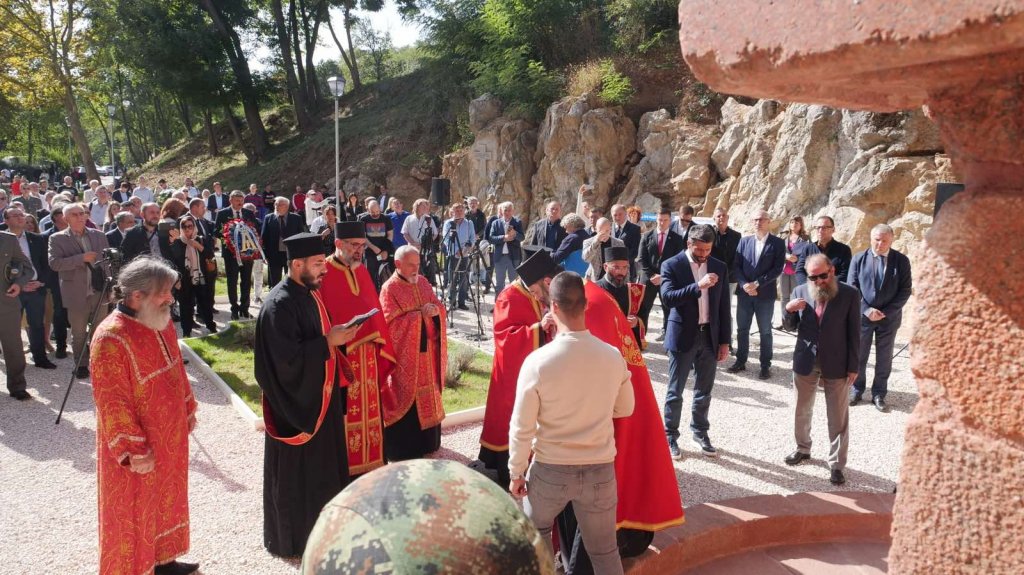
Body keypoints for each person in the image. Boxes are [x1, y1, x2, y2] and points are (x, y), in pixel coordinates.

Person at [557, 261, 688, 573]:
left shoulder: (589, 313)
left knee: (588, 505)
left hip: (587, 437)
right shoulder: (596, 299)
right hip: (610, 422)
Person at [509, 271, 634, 575]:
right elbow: (625, 408)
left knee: (536, 545)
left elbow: (522, 427)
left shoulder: (538, 362)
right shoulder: (612, 356)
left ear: (552, 306)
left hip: (551, 469)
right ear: (585, 305)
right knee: (605, 552)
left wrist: (516, 472)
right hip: (599, 469)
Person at [90, 256, 199, 575]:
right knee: (135, 507)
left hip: (170, 438)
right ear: (136, 295)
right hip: (140, 445)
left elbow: (176, 368)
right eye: (163, 292)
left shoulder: (160, 319)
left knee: (168, 498)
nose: (171, 298)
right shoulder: (110, 338)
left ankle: (165, 561)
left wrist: (187, 407)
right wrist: (133, 449)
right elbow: (112, 402)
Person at [255, 232, 359, 558]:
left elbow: (316, 339)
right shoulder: (279, 305)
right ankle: (297, 542)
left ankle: (327, 533)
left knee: (325, 472)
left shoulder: (309, 293)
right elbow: (284, 363)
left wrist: (335, 339)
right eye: (317, 264)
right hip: (297, 408)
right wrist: (329, 342)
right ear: (297, 264)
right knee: (298, 480)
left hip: (320, 400)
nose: (324, 269)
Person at [480, 249, 560, 487]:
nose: (541, 296)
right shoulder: (509, 296)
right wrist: (538, 328)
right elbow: (504, 338)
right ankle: (510, 470)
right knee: (513, 416)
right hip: (513, 373)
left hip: (541, 369)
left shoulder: (545, 291)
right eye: (539, 289)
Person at [322, 222, 397, 477]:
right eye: (355, 245)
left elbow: (372, 308)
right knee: (344, 410)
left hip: (368, 356)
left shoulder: (362, 270)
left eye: (363, 246)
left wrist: (377, 338)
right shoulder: (324, 273)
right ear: (338, 244)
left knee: (371, 409)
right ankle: (347, 469)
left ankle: (373, 462)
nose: (359, 250)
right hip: (343, 356)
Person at [783, 254, 861, 485]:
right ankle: (802, 448)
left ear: (832, 270)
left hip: (837, 361)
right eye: (813, 277)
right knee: (801, 409)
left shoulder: (849, 294)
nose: (818, 281)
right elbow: (790, 326)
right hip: (805, 360)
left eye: (822, 276)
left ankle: (836, 464)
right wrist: (788, 310)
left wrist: (853, 366)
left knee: (838, 416)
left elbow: (855, 333)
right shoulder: (799, 291)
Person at [660, 224, 732, 458]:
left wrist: (725, 341)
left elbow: (724, 306)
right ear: (689, 243)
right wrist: (697, 286)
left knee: (704, 390)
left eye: (708, 250)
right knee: (675, 390)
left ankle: (700, 432)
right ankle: (670, 434)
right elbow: (668, 298)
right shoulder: (671, 264)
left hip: (709, 336)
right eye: (699, 250)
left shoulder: (719, 266)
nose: (703, 254)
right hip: (682, 335)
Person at [379, 246, 447, 460]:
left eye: (418, 264)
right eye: (411, 265)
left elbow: (438, 306)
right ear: (398, 264)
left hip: (428, 355)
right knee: (406, 398)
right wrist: (419, 316)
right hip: (405, 360)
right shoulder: (389, 289)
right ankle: (406, 448)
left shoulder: (423, 282)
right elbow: (389, 325)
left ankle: (429, 442)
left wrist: (435, 312)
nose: (416, 269)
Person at [848, 224, 912, 411]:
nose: (880, 244)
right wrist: (867, 310)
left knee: (884, 358)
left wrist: (887, 312)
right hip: (863, 317)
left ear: (892, 240)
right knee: (859, 356)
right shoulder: (859, 258)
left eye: (884, 240)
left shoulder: (901, 261)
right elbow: (852, 287)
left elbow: (905, 290)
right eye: (877, 239)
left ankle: (879, 394)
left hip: (888, 319)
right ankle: (856, 389)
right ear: (871, 238)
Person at [48, 202, 112, 379]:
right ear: (65, 218)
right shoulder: (57, 238)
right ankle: (81, 364)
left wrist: (110, 287)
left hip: (99, 291)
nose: (80, 217)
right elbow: (55, 264)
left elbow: (107, 263)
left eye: (82, 213)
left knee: (100, 331)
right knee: (78, 333)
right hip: (75, 293)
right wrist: (81, 258)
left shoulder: (99, 235)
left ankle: (99, 361)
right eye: (74, 214)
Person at [729, 209, 786, 380]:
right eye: (755, 219)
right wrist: (744, 284)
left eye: (761, 219)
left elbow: (777, 268)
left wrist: (758, 283)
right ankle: (740, 361)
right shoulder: (744, 241)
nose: (758, 222)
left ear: (769, 221)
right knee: (742, 329)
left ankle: (765, 365)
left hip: (765, 295)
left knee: (765, 331)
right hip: (745, 294)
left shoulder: (778, 243)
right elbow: (736, 266)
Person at [6, 206, 56, 369]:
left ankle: (40, 358)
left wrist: (41, 282)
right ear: (6, 220)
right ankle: (15, 362)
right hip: (11, 291)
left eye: (21, 215)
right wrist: (17, 285)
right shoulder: (3, 239)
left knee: (37, 324)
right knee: (12, 327)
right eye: (15, 215)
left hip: (36, 289)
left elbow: (46, 264)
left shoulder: (37, 239)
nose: (20, 218)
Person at [638, 209, 685, 342]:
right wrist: (652, 275)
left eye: (665, 220)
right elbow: (641, 259)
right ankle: (641, 337)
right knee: (643, 308)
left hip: (668, 280)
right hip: (649, 280)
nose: (662, 223)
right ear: (656, 219)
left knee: (669, 309)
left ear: (670, 221)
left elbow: (678, 261)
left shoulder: (677, 239)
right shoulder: (646, 236)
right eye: (660, 220)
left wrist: (663, 277)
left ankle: (668, 338)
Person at [214, 191, 260, 320]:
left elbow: (256, 229)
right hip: (230, 254)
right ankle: (234, 308)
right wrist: (228, 235)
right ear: (230, 200)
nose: (240, 203)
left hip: (247, 253)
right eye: (237, 200)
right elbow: (216, 231)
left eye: (242, 200)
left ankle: (245, 309)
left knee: (246, 281)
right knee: (232, 281)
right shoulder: (222, 213)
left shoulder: (249, 213)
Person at [0, 226, 34, 399]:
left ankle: (17, 386)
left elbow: (27, 268)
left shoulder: (8, 239)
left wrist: (18, 284)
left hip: (6, 303)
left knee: (13, 346)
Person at [170, 215, 217, 337]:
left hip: (201, 277)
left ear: (194, 227)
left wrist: (197, 246)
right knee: (186, 307)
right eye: (184, 226)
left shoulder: (201, 240)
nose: (187, 229)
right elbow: (174, 261)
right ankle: (186, 332)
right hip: (185, 280)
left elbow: (210, 255)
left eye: (190, 226)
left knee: (205, 304)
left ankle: (211, 327)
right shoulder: (177, 242)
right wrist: (177, 280)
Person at [597, 247, 645, 346]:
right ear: (605, 267)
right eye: (616, 267)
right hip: (601, 344)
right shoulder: (595, 289)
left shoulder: (634, 291)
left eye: (625, 267)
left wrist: (636, 322)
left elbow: (643, 316)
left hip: (626, 345)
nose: (621, 272)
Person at [42, 205, 69, 360]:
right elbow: (43, 262)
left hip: (76, 280)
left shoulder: (76, 233)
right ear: (56, 218)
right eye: (64, 214)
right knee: (59, 313)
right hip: (56, 281)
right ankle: (61, 346)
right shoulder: (45, 237)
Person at [261, 197, 305, 290]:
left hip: (291, 255)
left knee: (292, 280)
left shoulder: (296, 218)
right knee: (275, 281)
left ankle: (291, 296)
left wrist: (300, 254)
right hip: (274, 255)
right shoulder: (268, 218)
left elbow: (301, 237)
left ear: (287, 207)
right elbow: (264, 238)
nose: (276, 207)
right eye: (276, 204)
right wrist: (265, 255)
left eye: (280, 205)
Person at [795, 215, 853, 284]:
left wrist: (825, 285)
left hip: (834, 288)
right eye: (818, 228)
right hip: (811, 288)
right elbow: (800, 271)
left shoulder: (844, 250)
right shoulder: (808, 249)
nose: (820, 231)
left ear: (833, 230)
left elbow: (845, 273)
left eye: (824, 228)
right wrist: (808, 286)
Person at [441, 203, 475, 310]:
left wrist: (465, 250)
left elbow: (472, 238)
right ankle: (452, 302)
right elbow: (446, 239)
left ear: (464, 211)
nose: (459, 212)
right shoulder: (448, 223)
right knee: (453, 278)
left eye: (461, 210)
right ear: (452, 212)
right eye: (457, 210)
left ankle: (461, 302)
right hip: (453, 254)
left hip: (465, 254)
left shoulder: (469, 223)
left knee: (464, 279)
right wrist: (457, 251)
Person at [778, 215, 810, 328]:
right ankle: (784, 321)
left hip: (797, 271)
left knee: (796, 297)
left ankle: (795, 321)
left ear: (801, 225)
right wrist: (786, 256)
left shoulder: (806, 238)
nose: (794, 224)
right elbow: (778, 251)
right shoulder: (783, 237)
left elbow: (808, 253)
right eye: (792, 222)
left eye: (797, 223)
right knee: (784, 297)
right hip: (784, 270)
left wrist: (798, 259)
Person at [487, 201, 524, 294]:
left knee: (514, 283)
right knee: (499, 284)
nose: (507, 212)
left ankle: (513, 302)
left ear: (513, 211)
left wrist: (515, 233)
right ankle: (499, 302)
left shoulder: (517, 222)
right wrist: (503, 238)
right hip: (500, 257)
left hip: (513, 257)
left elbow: (522, 238)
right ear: (502, 211)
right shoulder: (495, 223)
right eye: (505, 210)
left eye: (509, 210)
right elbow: (491, 238)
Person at [358, 199, 394, 292]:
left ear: (380, 209)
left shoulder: (386, 219)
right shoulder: (363, 219)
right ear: (368, 210)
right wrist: (373, 247)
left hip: (384, 251)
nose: (375, 214)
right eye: (373, 212)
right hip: (370, 252)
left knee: (385, 274)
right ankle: (373, 293)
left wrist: (385, 250)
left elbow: (390, 235)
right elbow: (363, 236)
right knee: (371, 275)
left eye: (377, 211)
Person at [401, 199, 439, 283]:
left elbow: (435, 234)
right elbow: (405, 233)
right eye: (423, 206)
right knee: (415, 271)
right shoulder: (409, 218)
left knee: (427, 271)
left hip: (426, 250)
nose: (425, 208)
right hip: (413, 249)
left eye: (426, 206)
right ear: (417, 206)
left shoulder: (429, 219)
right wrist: (413, 243)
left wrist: (426, 243)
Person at [610, 204, 641, 281]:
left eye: (620, 214)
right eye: (615, 215)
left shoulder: (635, 229)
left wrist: (621, 264)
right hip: (611, 269)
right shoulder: (609, 228)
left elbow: (635, 250)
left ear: (625, 214)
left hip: (627, 270)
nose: (617, 217)